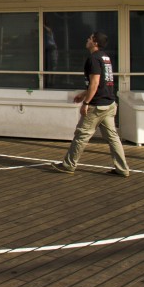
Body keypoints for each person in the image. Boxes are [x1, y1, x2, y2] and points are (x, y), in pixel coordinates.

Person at [51, 31, 130, 177]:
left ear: (95, 42)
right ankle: (122, 168)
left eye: (89, 38)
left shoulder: (93, 58)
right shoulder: (105, 57)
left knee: (81, 135)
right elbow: (103, 83)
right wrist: (83, 93)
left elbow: (95, 83)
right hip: (109, 103)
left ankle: (68, 165)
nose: (87, 40)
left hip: (97, 105)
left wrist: (86, 102)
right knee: (113, 138)